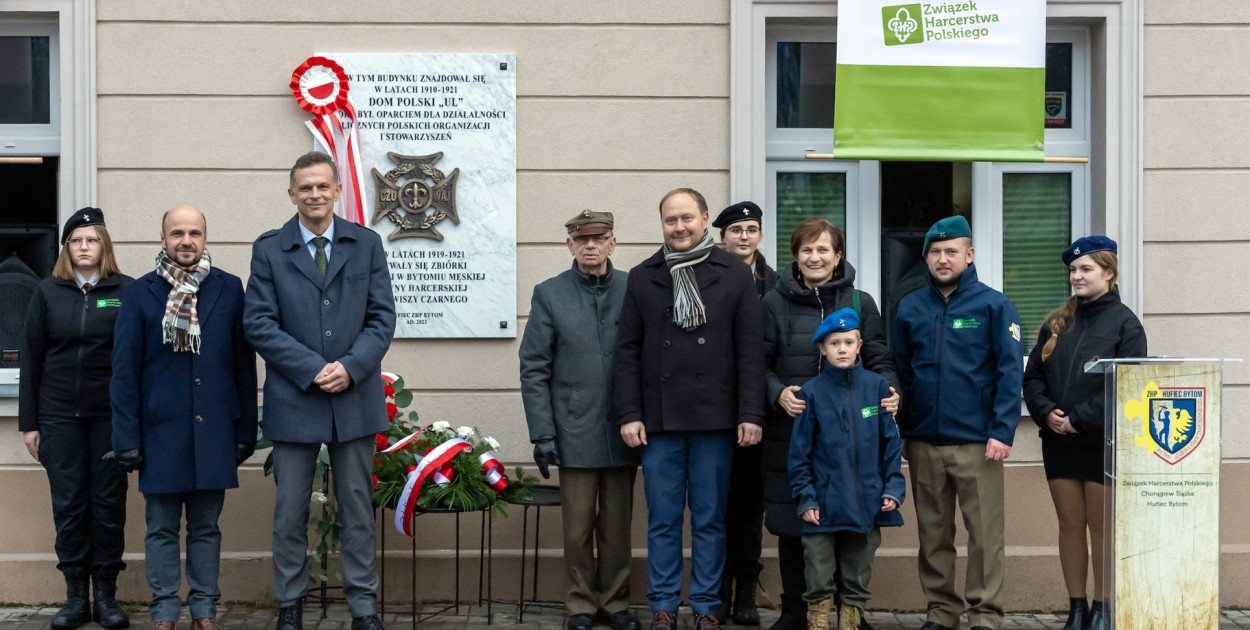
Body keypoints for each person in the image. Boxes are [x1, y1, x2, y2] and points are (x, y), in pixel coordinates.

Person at [243, 151, 396, 630]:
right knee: (289, 512)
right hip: (296, 398)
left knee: (356, 510)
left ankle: (363, 608)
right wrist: (312, 369)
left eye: (322, 186)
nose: (314, 194)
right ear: (292, 194)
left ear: (336, 191)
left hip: (354, 397)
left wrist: (350, 368)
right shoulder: (270, 249)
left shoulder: (366, 244)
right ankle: (290, 604)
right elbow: (259, 323)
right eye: (305, 187)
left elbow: (382, 317)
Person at [615, 188, 765, 630]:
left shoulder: (735, 275)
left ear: (703, 220)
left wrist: (751, 414)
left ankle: (705, 606)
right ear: (661, 224)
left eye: (686, 218)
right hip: (657, 421)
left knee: (710, 519)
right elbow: (627, 352)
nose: (679, 227)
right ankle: (662, 605)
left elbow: (750, 352)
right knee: (662, 519)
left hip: (715, 418)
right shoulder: (643, 276)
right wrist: (629, 413)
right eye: (670, 220)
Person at [109, 205, 258, 630]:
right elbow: (124, 372)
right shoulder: (139, 293)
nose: (186, 240)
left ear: (206, 238)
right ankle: (164, 611)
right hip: (158, 434)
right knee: (160, 529)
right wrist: (126, 438)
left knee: (207, 528)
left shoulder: (230, 289)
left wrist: (245, 429)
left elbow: (243, 365)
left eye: (194, 232)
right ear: (163, 239)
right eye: (177, 233)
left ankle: (205, 610)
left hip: (215, 431)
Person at [761, 219, 898, 630]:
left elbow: (879, 358)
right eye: (806, 250)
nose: (814, 257)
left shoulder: (860, 301)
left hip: (851, 432)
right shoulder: (772, 303)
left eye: (823, 250)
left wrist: (891, 391)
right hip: (793, 427)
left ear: (838, 256)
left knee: (849, 520)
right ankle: (794, 610)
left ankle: (848, 612)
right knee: (794, 520)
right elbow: (758, 364)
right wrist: (777, 392)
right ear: (796, 256)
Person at [891, 216, 1023, 630]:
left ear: (969, 255)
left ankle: (985, 614)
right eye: (935, 252)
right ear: (926, 257)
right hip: (924, 442)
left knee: (984, 537)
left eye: (951, 252)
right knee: (933, 536)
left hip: (978, 444)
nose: (942, 259)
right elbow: (902, 373)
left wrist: (1002, 432)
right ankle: (941, 612)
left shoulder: (994, 305)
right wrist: (901, 432)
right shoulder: (909, 307)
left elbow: (1009, 372)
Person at [519, 210, 641, 630]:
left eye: (599, 238)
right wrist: (542, 433)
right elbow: (534, 366)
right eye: (581, 239)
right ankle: (581, 606)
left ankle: (616, 602)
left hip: (626, 427)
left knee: (617, 528)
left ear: (613, 241)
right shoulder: (550, 293)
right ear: (568, 244)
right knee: (577, 529)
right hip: (574, 430)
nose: (591, 246)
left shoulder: (634, 288)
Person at [1023, 236, 1146, 630]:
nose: (1076, 276)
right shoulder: (1057, 322)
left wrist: (1079, 418)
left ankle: (1103, 608)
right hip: (1058, 441)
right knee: (1070, 524)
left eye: (1086, 269)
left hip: (1101, 443)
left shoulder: (1126, 324)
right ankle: (1076, 608)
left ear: (1108, 273)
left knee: (1101, 527)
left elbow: (1127, 385)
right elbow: (1033, 378)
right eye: (1073, 270)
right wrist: (1046, 413)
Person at [19, 208, 132, 630]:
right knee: (69, 506)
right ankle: (74, 598)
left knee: (107, 506)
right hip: (58, 417)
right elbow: (31, 359)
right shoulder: (48, 292)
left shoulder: (128, 291)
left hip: (110, 419)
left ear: (104, 245)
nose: (84, 247)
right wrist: (30, 423)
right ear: (66, 248)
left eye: (92, 239)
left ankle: (105, 595)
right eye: (76, 240)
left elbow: (138, 360)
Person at [788, 308, 905, 630]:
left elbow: (891, 447)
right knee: (818, 570)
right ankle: (819, 621)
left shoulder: (878, 388)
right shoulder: (810, 393)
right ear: (822, 349)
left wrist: (893, 488)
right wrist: (807, 498)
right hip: (822, 504)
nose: (842, 349)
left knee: (858, 571)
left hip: (868, 501)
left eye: (848, 342)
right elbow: (799, 455)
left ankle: (850, 621)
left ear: (859, 345)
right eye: (834, 343)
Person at [709, 201, 776, 625]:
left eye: (752, 229)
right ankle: (718, 589)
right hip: (714, 409)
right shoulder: (706, 276)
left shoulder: (777, 283)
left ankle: (747, 592)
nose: (745, 236)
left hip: (760, 410)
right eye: (737, 230)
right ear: (722, 237)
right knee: (714, 505)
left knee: (750, 509)